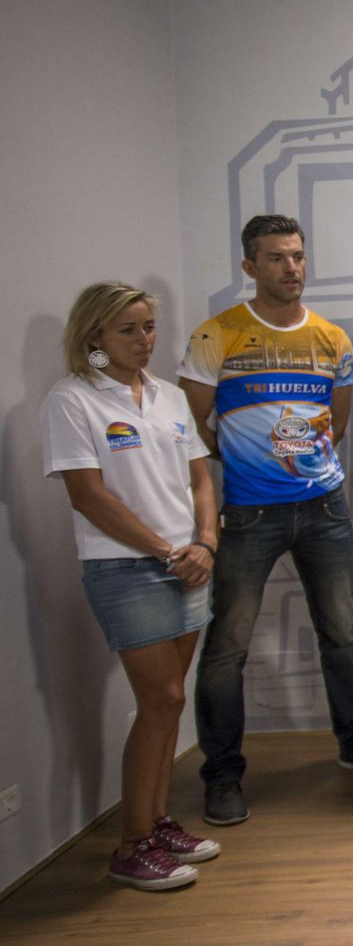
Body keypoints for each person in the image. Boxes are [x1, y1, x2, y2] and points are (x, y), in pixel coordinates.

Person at [178, 214, 353, 826]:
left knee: (343, 636)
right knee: (227, 648)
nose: (291, 268)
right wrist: (245, 460)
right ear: (249, 267)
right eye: (276, 258)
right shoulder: (214, 336)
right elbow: (190, 429)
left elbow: (338, 423)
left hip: (324, 508)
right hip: (248, 513)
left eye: (298, 256)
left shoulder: (332, 339)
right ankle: (222, 775)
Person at [43, 283, 221, 889]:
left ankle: (158, 820)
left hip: (189, 562)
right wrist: (168, 549)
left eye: (149, 327)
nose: (144, 340)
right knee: (163, 698)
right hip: (127, 569)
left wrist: (205, 542)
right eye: (128, 330)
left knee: (168, 701)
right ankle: (131, 845)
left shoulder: (169, 397)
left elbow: (200, 479)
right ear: (94, 336)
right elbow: (88, 496)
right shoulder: (72, 400)